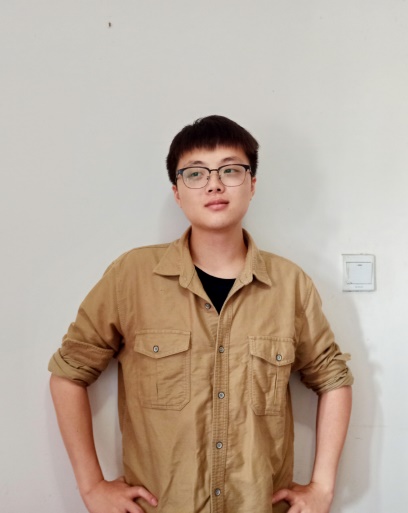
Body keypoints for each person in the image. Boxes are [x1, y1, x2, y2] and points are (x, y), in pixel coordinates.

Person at [49, 115, 353, 513]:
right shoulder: (132, 277)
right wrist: (91, 487)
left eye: (230, 170)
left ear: (252, 184)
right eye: (195, 173)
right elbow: (69, 372)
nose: (214, 184)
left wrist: (322, 487)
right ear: (177, 193)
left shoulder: (290, 285)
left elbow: (333, 378)